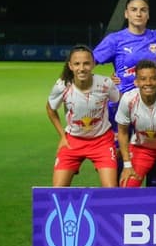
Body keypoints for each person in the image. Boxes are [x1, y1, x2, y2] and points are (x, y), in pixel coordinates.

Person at [93, 0, 156, 186]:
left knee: (151, 149)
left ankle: (153, 199)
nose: (138, 14)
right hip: (120, 104)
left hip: (150, 104)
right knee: (119, 153)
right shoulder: (115, 40)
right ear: (126, 14)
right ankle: (118, 197)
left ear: (148, 14)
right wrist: (105, 82)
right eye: (134, 10)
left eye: (143, 10)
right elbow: (87, 63)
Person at [46, 45, 120, 187]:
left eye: (86, 63)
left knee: (111, 190)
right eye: (77, 64)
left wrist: (117, 133)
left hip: (102, 141)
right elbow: (50, 108)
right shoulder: (63, 85)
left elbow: (118, 101)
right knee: (57, 191)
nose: (82, 68)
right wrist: (62, 136)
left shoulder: (105, 83)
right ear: (70, 66)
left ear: (93, 64)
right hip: (72, 141)